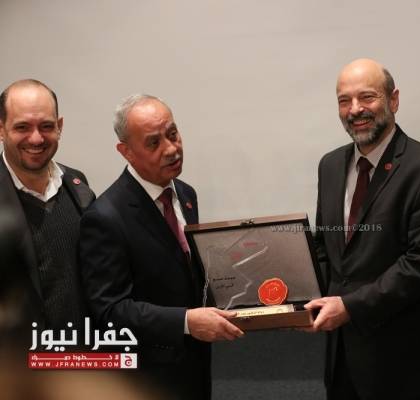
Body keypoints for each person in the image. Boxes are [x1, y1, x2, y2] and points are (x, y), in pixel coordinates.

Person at [303, 58, 420, 400]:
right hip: (342, 358)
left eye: (367, 97)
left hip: (405, 363)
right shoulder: (330, 165)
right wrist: (300, 293)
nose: (355, 109)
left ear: (394, 100)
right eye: (344, 100)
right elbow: (325, 246)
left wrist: (350, 307)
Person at [79, 94, 244, 400]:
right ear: (126, 152)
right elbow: (110, 311)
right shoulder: (104, 217)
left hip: (194, 363)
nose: (171, 149)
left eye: (173, 134)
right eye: (154, 143)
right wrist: (185, 322)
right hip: (146, 376)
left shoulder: (185, 193)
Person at [0, 79, 94, 332]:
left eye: (46, 126)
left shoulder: (78, 186)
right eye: (22, 127)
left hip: (83, 350)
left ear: (59, 126)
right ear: (1, 129)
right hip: (18, 355)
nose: (36, 138)